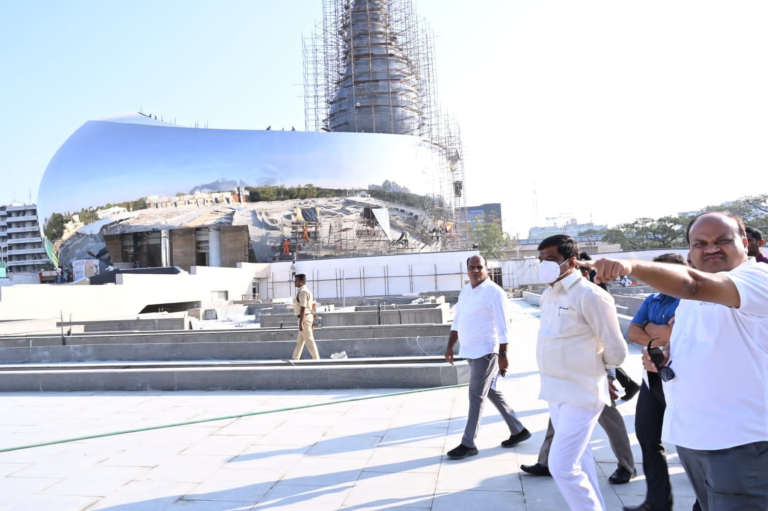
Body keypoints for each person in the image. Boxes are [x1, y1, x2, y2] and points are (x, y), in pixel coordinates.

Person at [582, 212, 768, 511]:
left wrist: (630, 265)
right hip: (695, 438)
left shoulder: (755, 278)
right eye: (700, 243)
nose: (711, 248)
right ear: (690, 251)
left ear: (745, 244)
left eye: (723, 240)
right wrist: (664, 354)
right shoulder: (692, 299)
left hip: (740, 441)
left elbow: (692, 284)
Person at [535, 235, 628, 510]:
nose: (544, 265)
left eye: (550, 259)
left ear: (571, 261)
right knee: (580, 460)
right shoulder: (547, 295)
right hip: (554, 390)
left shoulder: (590, 295)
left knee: (561, 465)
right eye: (541, 260)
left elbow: (617, 348)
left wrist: (604, 375)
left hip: (582, 391)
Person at [444, 254, 530, 459]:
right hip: (469, 351)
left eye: (479, 267)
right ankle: (518, 430)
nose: (475, 270)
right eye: (471, 267)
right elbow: (457, 322)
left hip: (486, 352)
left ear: (487, 269)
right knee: (490, 391)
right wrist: (450, 346)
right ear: (467, 270)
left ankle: (468, 443)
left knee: (475, 395)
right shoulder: (466, 291)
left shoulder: (494, 292)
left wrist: (503, 355)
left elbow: (503, 327)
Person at [623, 253, 687, 511]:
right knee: (647, 436)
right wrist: (664, 336)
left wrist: (652, 329)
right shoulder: (652, 299)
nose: (660, 279)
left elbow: (675, 334)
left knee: (691, 444)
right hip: (653, 377)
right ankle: (657, 502)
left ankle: (704, 502)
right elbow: (633, 332)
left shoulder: (692, 302)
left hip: (684, 379)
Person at [291, 273, 319, 360]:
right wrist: (313, 323)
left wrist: (301, 323)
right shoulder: (306, 291)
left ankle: (317, 360)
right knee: (300, 341)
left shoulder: (303, 292)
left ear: (302, 282)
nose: (295, 282)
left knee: (309, 341)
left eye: (297, 280)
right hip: (307, 317)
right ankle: (295, 358)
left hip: (304, 318)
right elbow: (312, 307)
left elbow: (303, 308)